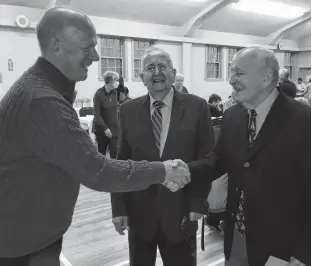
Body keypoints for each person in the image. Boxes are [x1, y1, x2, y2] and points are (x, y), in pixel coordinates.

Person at [0, 8, 190, 266]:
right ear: (57, 45)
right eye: (87, 47)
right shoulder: (43, 101)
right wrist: (163, 171)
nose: (96, 56)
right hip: (24, 243)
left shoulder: (40, 87)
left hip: (29, 233)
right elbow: (97, 170)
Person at [175, 47, 311, 266]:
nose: (231, 80)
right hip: (237, 236)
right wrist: (186, 170)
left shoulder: (303, 120)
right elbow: (218, 160)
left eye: (238, 73)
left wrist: (304, 251)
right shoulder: (232, 116)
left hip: (282, 246)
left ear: (266, 77)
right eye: (231, 72)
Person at [110, 47, 214, 266]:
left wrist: (198, 201)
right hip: (139, 214)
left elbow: (208, 158)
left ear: (173, 74)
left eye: (163, 66)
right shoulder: (127, 110)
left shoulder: (197, 106)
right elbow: (121, 163)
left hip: (182, 212)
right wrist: (119, 209)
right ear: (142, 78)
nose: (157, 72)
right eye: (150, 67)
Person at [93, 71, 119, 158]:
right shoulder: (98, 94)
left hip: (114, 129)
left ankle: (115, 171)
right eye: (116, 80)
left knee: (115, 155)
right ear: (110, 82)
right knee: (102, 156)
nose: (117, 83)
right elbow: (97, 115)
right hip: (102, 129)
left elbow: (115, 110)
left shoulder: (115, 93)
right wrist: (105, 129)